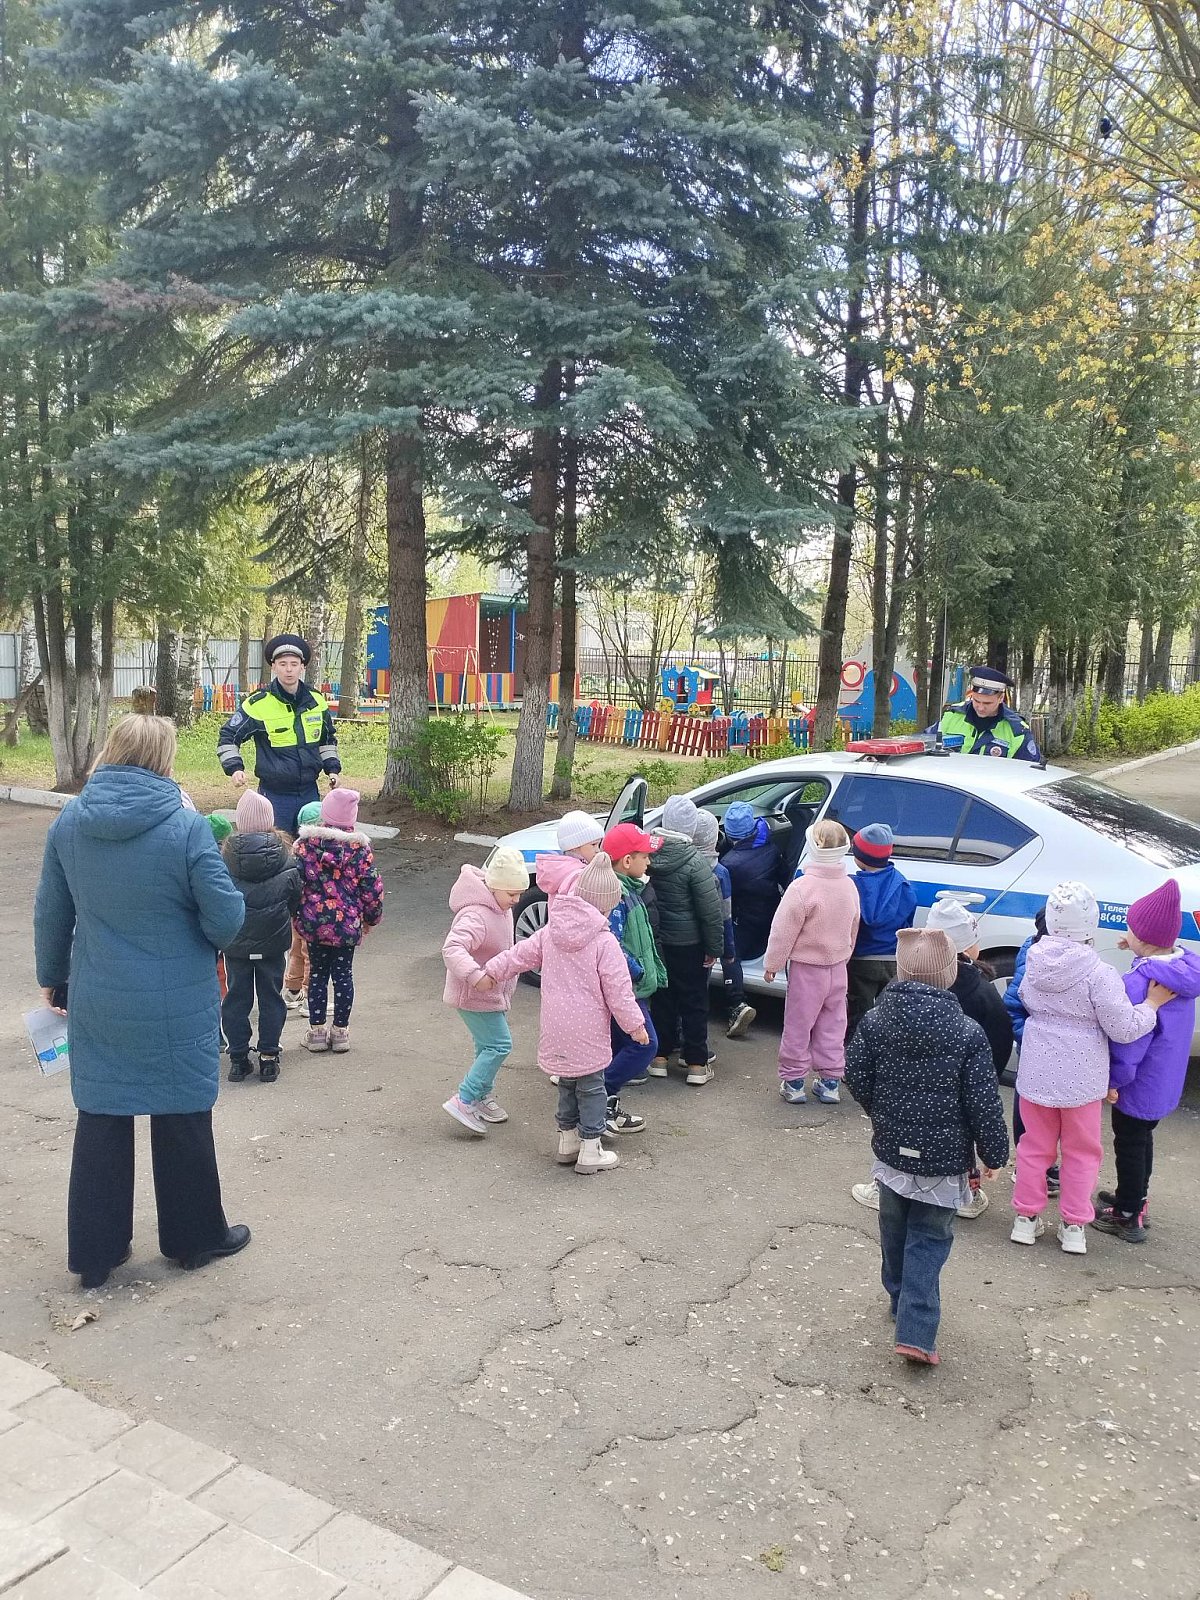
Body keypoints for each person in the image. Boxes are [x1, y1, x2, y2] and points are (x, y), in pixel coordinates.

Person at [33, 713, 250, 1290]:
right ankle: (194, 1239)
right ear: (163, 759)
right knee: (182, 1116)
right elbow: (226, 919)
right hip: (176, 1001)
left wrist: (52, 977)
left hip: (100, 995)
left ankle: (95, 1255)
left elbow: (52, 911)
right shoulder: (186, 828)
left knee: (101, 1117)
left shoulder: (69, 822)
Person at [846, 928, 1010, 1368]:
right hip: (944, 1161)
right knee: (929, 1240)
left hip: (891, 1155)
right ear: (950, 973)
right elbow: (983, 1101)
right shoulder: (967, 1032)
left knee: (893, 1230)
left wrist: (879, 1111)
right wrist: (994, 1153)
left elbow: (855, 1072)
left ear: (900, 971)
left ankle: (898, 1298)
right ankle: (916, 1333)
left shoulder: (876, 1020)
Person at [1010, 881, 1172, 1256]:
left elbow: (1024, 998)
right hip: (1082, 1081)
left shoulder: (1033, 960)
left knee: (1033, 1147)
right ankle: (1073, 1225)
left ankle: (1025, 1218)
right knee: (1081, 1153)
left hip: (1035, 1074)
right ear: (1091, 924)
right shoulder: (1100, 973)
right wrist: (1151, 1005)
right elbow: (1123, 1027)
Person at [483, 852, 648, 1175]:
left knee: (567, 1084)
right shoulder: (604, 942)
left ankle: (567, 1141)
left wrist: (491, 971)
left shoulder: (550, 932)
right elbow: (619, 992)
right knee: (592, 1087)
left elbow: (518, 955)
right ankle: (591, 1148)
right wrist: (635, 1026)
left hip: (555, 1025)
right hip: (588, 1029)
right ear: (606, 904)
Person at [1094, 880, 1200, 1243]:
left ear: (1142, 936)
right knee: (1143, 1139)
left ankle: (1127, 1214)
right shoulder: (1181, 970)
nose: (1125, 934)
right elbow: (1161, 954)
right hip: (1164, 1081)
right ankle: (1136, 1198)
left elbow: (1130, 1044)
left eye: (1130, 929)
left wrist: (1113, 1081)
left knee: (1129, 1144)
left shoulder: (1140, 983)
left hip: (1138, 1083)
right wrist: (1140, 949)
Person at [762, 821, 860, 1106]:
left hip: (807, 969)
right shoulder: (849, 886)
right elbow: (853, 926)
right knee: (834, 1024)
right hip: (838, 967)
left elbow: (783, 931)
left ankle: (794, 1082)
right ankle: (830, 1082)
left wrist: (773, 963)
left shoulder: (802, 887)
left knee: (799, 1024)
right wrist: (845, 953)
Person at [441, 847, 530, 1136]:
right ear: (494, 887)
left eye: (519, 893)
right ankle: (465, 1098)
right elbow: (452, 948)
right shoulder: (477, 915)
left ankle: (480, 1095)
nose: (516, 900)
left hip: (491, 994)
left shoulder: (500, 907)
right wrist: (475, 975)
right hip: (474, 995)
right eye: (512, 894)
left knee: (486, 1046)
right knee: (499, 1045)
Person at [217, 633, 341, 835]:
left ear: (303, 667)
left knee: (311, 847)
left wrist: (333, 770)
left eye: (294, 664)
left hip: (310, 793)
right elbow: (228, 736)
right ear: (273, 666)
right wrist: (235, 768)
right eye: (283, 664)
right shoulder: (258, 704)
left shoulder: (317, 701)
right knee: (276, 848)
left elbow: (327, 740)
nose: (289, 669)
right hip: (274, 796)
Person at [219, 789, 302, 1084]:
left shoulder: (223, 859)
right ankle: (268, 1056)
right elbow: (295, 899)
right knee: (271, 997)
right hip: (273, 940)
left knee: (236, 997)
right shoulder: (287, 858)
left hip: (236, 941)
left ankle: (238, 1058)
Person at [293, 787, 384, 1053]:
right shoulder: (360, 850)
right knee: (343, 975)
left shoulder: (305, 846)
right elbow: (372, 889)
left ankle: (317, 1032)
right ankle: (341, 1031)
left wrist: (295, 912)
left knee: (318, 974)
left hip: (314, 922)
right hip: (347, 925)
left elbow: (294, 883)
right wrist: (371, 919)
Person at [646, 795, 725, 1085]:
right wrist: (714, 948)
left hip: (657, 941)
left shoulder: (648, 855)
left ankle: (659, 1058)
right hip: (690, 945)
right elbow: (710, 912)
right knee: (694, 1002)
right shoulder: (695, 862)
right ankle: (696, 1064)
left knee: (662, 999)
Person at [601, 821, 667, 1134]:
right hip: (625, 988)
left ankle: (604, 1105)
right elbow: (610, 944)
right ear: (627, 861)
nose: (649, 861)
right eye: (644, 856)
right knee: (645, 1045)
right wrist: (638, 969)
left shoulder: (630, 890)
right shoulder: (616, 895)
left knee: (619, 1047)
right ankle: (597, 1096)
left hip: (630, 987)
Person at [846, 824, 916, 1040]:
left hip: (861, 960)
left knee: (859, 1011)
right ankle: (884, 1049)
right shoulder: (902, 884)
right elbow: (908, 923)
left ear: (859, 856)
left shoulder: (852, 885)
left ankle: (856, 1049)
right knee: (888, 1014)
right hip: (892, 959)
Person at [693, 809, 756, 1040]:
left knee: (679, 991)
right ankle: (735, 1005)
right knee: (699, 991)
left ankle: (672, 1038)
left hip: (678, 938)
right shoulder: (720, 872)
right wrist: (727, 951)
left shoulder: (673, 863)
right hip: (711, 938)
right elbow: (724, 916)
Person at [720, 800, 782, 1000]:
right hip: (772, 911)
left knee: (730, 953)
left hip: (746, 920)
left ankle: (736, 1002)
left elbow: (722, 899)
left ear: (729, 833)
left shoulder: (729, 863)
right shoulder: (771, 846)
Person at [928, 664, 1040, 761]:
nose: (980, 708)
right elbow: (925, 746)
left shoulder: (1017, 731)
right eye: (976, 701)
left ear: (1001, 698)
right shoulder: (952, 715)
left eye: (987, 703)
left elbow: (1029, 769)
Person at [282, 799, 323, 1010]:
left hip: (295, 909)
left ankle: (292, 990)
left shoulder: (296, 848)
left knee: (296, 949)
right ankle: (309, 995)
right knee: (310, 954)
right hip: (313, 912)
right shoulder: (320, 850)